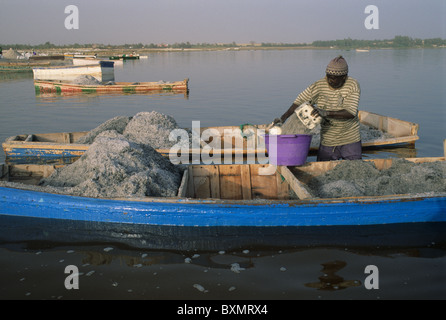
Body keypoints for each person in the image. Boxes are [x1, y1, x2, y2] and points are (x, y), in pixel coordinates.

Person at [274, 55, 362, 161]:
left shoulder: (352, 85)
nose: (330, 80)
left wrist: (325, 113)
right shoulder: (319, 85)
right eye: (328, 76)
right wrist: (283, 118)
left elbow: (350, 112)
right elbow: (299, 102)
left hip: (350, 139)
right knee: (323, 170)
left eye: (334, 78)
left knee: (355, 168)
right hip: (328, 140)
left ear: (344, 77)